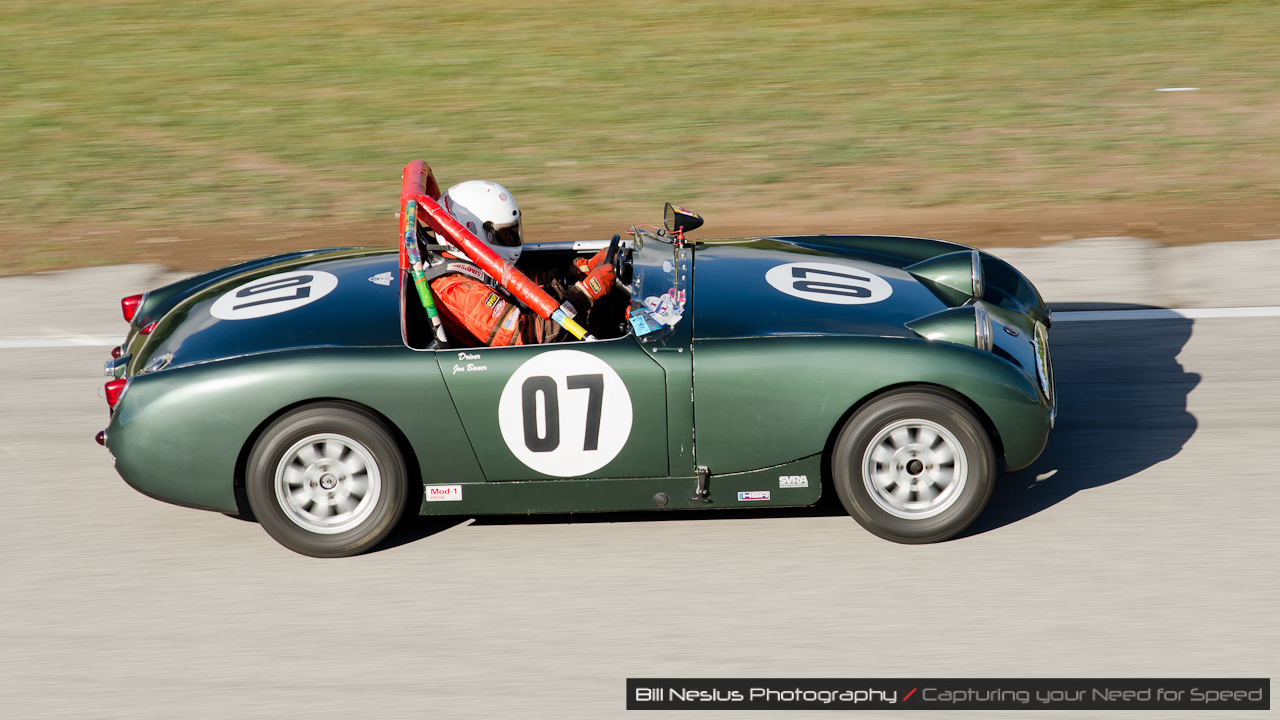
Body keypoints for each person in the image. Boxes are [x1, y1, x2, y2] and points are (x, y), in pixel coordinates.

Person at [426, 180, 615, 346]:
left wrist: (580, 268)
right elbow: (528, 336)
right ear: (470, 234)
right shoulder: (462, 293)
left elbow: (522, 281)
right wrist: (586, 292)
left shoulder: (481, 265)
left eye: (513, 233)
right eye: (504, 235)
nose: (512, 241)